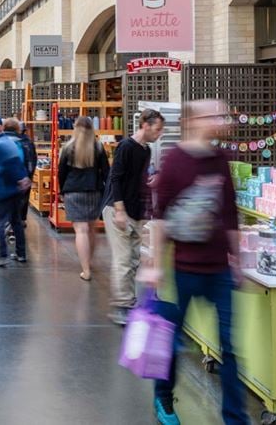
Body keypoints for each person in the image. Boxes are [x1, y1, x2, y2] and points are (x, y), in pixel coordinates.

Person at [144, 100, 248, 425]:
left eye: (222, 114)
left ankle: (235, 417)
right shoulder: (175, 160)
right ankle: (164, 398)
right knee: (171, 340)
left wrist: (237, 258)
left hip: (218, 268)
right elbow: (160, 217)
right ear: (194, 121)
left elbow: (229, 213)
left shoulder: (220, 159)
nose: (221, 119)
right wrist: (156, 264)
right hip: (184, 267)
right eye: (214, 114)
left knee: (230, 346)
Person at [102, 108, 165, 325]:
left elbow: (137, 179)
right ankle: (122, 305)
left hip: (136, 210)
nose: (159, 135)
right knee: (123, 260)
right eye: (157, 130)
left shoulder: (145, 150)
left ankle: (128, 301)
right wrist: (119, 210)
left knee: (133, 258)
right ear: (145, 125)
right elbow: (116, 179)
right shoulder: (126, 147)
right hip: (117, 209)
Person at [58, 117, 109, 281]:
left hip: (73, 192)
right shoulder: (98, 147)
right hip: (94, 191)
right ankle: (90, 261)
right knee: (92, 229)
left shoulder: (67, 148)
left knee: (81, 231)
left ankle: (85, 269)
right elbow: (106, 172)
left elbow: (62, 173)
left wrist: (61, 191)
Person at [0, 116, 30, 266]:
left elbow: (11, 165)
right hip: (13, 189)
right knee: (16, 221)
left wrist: (19, 179)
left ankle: (2, 255)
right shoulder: (6, 143)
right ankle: (21, 253)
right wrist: (22, 180)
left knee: (0, 223)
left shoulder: (2, 145)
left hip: (5, 190)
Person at [2, 118, 37, 229]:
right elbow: (33, 159)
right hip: (24, 176)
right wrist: (29, 175)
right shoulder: (27, 142)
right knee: (22, 200)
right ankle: (20, 220)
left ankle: (9, 223)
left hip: (6, 178)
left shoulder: (1, 141)